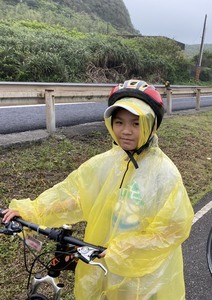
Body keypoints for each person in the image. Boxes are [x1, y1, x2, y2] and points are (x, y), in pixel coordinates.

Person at [2, 79, 195, 299]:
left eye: (136, 123)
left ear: (152, 125)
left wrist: (125, 250)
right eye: (119, 122)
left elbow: (174, 229)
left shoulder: (165, 174)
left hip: (140, 275)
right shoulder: (104, 164)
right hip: (99, 260)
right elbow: (76, 197)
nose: (126, 131)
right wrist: (32, 211)